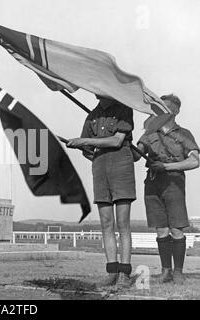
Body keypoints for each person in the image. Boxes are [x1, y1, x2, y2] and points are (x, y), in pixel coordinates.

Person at [67, 95, 136, 289]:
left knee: (122, 222)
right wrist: (83, 145)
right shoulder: (92, 116)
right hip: (100, 169)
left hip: (121, 167)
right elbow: (87, 150)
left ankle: (124, 273)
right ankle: (112, 272)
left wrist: (83, 141)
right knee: (106, 223)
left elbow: (117, 141)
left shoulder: (124, 109)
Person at [135, 94, 199, 284]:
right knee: (161, 230)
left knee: (177, 229)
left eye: (166, 108)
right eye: (158, 108)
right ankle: (166, 271)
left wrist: (167, 167)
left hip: (174, 182)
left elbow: (195, 161)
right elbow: (136, 155)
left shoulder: (184, 134)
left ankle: (178, 272)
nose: (161, 111)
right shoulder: (149, 133)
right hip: (153, 182)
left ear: (175, 111)